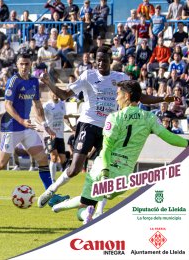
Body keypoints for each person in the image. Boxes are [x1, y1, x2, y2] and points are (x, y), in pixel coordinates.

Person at [37, 46, 173, 208]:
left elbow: (140, 97)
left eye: (104, 60)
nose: (100, 63)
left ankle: (98, 211)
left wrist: (162, 99)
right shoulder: (88, 75)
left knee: (108, 171)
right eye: (98, 60)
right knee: (74, 168)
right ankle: (51, 190)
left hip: (109, 128)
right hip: (88, 124)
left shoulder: (120, 78)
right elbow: (64, 95)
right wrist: (49, 83)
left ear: (110, 60)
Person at [50, 80, 188, 224]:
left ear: (127, 96)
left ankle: (85, 215)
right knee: (92, 198)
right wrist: (187, 143)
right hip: (123, 176)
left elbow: (107, 148)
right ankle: (58, 208)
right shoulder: (150, 118)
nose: (116, 98)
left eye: (118, 94)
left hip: (103, 169)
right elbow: (169, 137)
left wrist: (104, 171)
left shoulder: (114, 117)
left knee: (85, 205)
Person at [0, 53, 67, 206]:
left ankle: (50, 196)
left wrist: (45, 126)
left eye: (27, 64)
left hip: (27, 127)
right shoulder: (13, 81)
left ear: (31, 64)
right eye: (21, 64)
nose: (24, 67)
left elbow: (37, 105)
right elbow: (7, 105)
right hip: (12, 127)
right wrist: (22, 121)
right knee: (0, 164)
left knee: (43, 160)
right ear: (17, 65)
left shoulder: (33, 82)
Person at [43, 91, 75, 182]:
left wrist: (71, 126)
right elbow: (40, 116)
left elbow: (65, 117)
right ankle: (52, 180)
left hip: (60, 135)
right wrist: (44, 127)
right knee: (53, 156)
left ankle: (61, 178)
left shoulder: (62, 104)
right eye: (53, 93)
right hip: (50, 135)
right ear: (50, 94)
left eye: (56, 93)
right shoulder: (47, 106)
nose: (55, 94)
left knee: (62, 159)